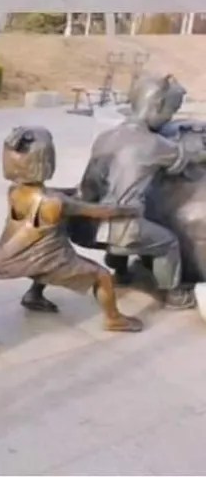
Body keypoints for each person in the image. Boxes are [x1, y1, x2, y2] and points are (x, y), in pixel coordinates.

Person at [0, 126, 143, 332]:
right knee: (102, 275)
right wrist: (128, 210)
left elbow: (55, 195)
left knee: (44, 261)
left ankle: (34, 295)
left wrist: (76, 190)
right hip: (51, 260)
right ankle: (114, 318)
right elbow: (98, 211)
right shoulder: (54, 202)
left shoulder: (15, 191)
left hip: (32, 256)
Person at [77, 74, 205, 309]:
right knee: (168, 243)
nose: (171, 117)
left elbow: (90, 184)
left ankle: (120, 267)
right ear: (157, 105)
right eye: (172, 110)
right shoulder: (153, 144)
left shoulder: (106, 138)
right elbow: (190, 155)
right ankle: (174, 295)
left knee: (128, 217)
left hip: (95, 223)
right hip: (127, 228)